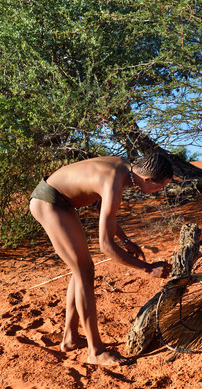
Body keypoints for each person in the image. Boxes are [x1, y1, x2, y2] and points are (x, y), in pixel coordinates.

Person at [29, 153, 173, 366]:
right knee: (85, 271)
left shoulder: (126, 170)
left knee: (80, 270)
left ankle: (70, 338)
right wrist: (147, 268)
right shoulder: (114, 181)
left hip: (63, 202)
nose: (159, 191)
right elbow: (105, 246)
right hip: (48, 202)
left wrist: (125, 240)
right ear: (148, 180)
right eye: (159, 187)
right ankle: (95, 352)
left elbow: (100, 206)